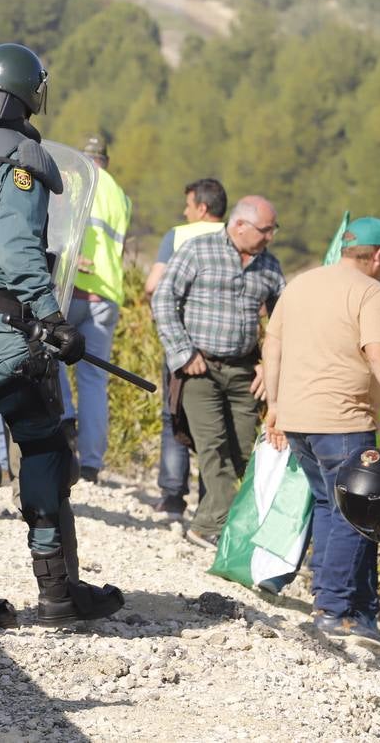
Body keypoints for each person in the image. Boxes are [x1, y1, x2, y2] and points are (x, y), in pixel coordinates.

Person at [0, 42, 123, 628]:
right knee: (42, 448)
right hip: (6, 329)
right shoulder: (21, 156)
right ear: (31, 92)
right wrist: (52, 318)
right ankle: (59, 593)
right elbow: (17, 252)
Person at [263, 217, 380, 640]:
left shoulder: (300, 283)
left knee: (327, 505)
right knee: (359, 517)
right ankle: (333, 609)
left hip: (298, 420)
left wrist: (275, 405)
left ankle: (356, 610)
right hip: (343, 420)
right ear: (378, 255)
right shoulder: (370, 291)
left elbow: (273, 343)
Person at [152, 195, 284, 548]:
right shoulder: (199, 250)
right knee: (213, 448)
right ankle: (214, 528)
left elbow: (284, 320)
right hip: (199, 369)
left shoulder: (270, 266)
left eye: (274, 230)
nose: (270, 237)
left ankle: (205, 523)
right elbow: (163, 298)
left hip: (244, 372)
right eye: (265, 230)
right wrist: (182, 352)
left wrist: (269, 364)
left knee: (240, 451)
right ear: (239, 225)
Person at [146, 178, 227, 519]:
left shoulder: (178, 236)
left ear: (202, 208)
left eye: (189, 205)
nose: (185, 211)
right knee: (218, 427)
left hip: (182, 343)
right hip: (226, 349)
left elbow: (153, 285)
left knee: (172, 416)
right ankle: (212, 503)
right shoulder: (239, 237)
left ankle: (173, 496)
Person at [62, 137, 131, 483]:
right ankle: (91, 463)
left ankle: (64, 421)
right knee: (94, 380)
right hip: (107, 294)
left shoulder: (76, 179)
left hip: (74, 286)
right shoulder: (120, 194)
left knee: (49, 362)